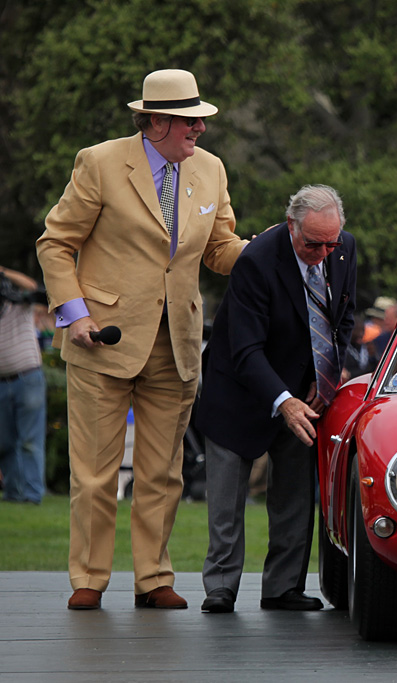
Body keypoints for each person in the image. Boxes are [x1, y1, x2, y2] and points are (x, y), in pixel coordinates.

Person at [36, 69, 246, 610]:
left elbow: (220, 250)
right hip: (100, 343)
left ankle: (153, 578)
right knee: (95, 475)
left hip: (175, 343)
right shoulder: (100, 162)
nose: (199, 130)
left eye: (200, 121)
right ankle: (89, 578)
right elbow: (56, 243)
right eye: (189, 122)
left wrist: (271, 250)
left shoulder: (212, 169)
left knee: (162, 474)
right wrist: (75, 315)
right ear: (156, 121)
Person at [196, 184, 356, 614]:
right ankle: (222, 587)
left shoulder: (344, 249)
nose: (322, 252)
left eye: (330, 243)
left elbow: (345, 316)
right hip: (240, 387)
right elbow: (245, 349)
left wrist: (328, 373)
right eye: (312, 244)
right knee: (227, 500)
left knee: (295, 494)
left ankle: (283, 587)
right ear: (291, 226)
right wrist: (283, 400)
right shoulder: (256, 261)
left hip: (305, 390)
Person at [0, 266, 48, 504]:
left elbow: (31, 286)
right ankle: (13, 493)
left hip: (27, 377)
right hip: (2, 382)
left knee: (30, 441)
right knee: (5, 442)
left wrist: (4, 271)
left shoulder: (20, 303)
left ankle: (32, 495)